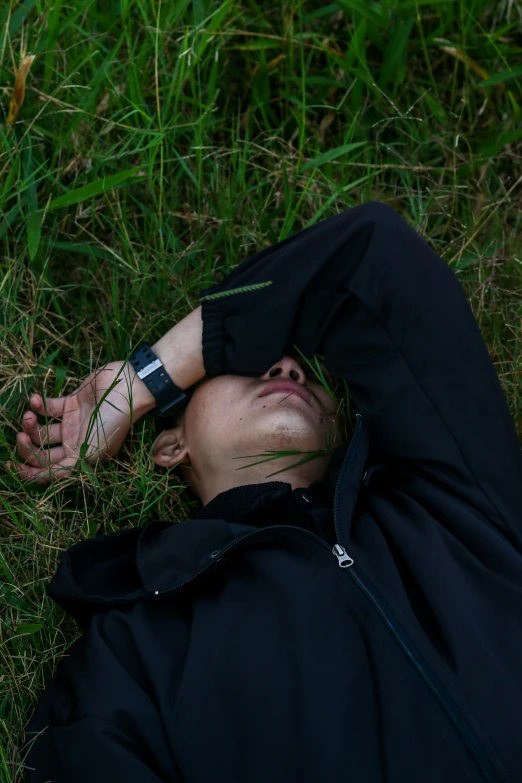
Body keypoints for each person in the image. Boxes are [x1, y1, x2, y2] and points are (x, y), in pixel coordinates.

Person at [16, 202, 522, 782]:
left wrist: (140, 382)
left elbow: (372, 257)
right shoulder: (136, 651)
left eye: (305, 368)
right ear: (169, 448)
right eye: (243, 368)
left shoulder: (450, 501)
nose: (287, 368)